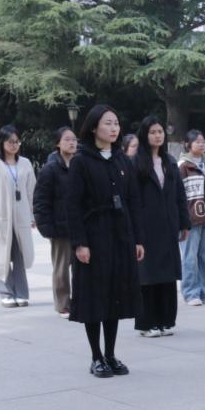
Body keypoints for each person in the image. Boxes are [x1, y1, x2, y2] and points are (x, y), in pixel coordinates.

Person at [66, 105, 144, 377]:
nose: (114, 128)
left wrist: (138, 239)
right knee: (94, 296)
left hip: (120, 234)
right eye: (108, 123)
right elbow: (72, 205)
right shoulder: (81, 161)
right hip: (94, 235)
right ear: (93, 127)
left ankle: (110, 354)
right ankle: (96, 356)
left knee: (115, 296)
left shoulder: (122, 160)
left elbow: (133, 201)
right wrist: (80, 243)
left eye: (116, 123)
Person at [131, 116, 189, 337]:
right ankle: (147, 323)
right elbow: (132, 198)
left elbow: (180, 195)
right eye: (153, 132)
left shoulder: (170, 161)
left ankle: (165, 320)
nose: (157, 136)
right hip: (146, 226)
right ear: (145, 135)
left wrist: (184, 222)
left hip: (168, 225)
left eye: (160, 132)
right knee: (147, 275)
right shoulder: (136, 163)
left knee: (167, 275)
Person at [0, 125, 37, 308]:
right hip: (1, 218)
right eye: (10, 142)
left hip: (21, 218)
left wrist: (32, 215)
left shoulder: (26, 163)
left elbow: (31, 192)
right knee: (2, 256)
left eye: (17, 141)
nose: (14, 145)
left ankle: (21, 293)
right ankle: (6, 293)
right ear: (1, 143)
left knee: (20, 256)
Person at [34, 126, 78, 316]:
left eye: (74, 139)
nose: (72, 142)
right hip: (60, 227)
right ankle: (63, 304)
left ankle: (80, 300)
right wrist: (46, 227)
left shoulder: (81, 165)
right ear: (58, 143)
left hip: (81, 225)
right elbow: (41, 201)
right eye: (67, 139)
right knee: (61, 268)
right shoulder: (50, 169)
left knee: (82, 266)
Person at [178, 129, 205, 306]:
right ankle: (191, 292)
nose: (201, 144)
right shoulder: (182, 166)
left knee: (204, 257)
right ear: (188, 144)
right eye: (197, 141)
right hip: (190, 219)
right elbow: (178, 195)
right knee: (189, 258)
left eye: (203, 141)